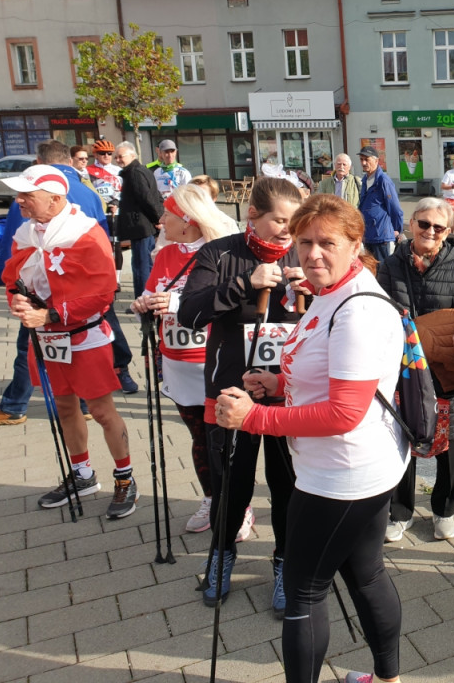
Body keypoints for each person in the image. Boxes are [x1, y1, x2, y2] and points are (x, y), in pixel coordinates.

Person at [214, 193, 408, 683]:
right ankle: (389, 678)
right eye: (304, 242)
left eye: (327, 243)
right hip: (357, 465)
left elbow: (344, 413)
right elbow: (334, 378)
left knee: (303, 590)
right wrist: (280, 385)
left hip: (340, 472)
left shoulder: (357, 309)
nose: (313, 254)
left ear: (355, 244)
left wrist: (254, 418)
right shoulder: (333, 292)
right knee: (366, 574)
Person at [177, 177, 303, 613]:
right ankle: (222, 552)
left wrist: (314, 292)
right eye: (279, 221)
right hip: (232, 389)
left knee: (288, 483)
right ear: (253, 214)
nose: (287, 231)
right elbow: (191, 313)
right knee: (233, 482)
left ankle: (287, 562)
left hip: (287, 391)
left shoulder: (303, 251)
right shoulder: (221, 251)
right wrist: (245, 283)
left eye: (294, 222)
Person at [2, 165, 141, 519]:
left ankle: (125, 476)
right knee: (64, 407)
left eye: (27, 196)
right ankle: (82, 474)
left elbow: (103, 294)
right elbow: (11, 277)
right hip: (46, 338)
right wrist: (17, 302)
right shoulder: (24, 232)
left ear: (55, 198)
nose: (19, 202)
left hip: (83, 336)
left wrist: (49, 315)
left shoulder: (85, 233)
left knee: (100, 410)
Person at [0, 141, 120, 426]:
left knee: (28, 349)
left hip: (55, 308)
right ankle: (81, 403)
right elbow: (105, 239)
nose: (19, 199)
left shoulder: (40, 194)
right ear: (69, 160)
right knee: (72, 371)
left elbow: (10, 251)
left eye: (23, 195)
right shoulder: (88, 191)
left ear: (40, 160)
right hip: (79, 301)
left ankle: (15, 405)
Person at [377, 198, 454, 542]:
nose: (430, 232)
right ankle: (400, 511)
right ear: (411, 224)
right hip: (403, 370)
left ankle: (444, 509)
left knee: (451, 444)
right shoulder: (390, 266)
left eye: (438, 227)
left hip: (446, 370)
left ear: (448, 232)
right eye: (424, 224)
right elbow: (382, 313)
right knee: (401, 439)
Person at [130, 184, 232, 533]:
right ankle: (210, 499)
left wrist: (176, 303)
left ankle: (237, 505)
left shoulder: (220, 253)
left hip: (213, 362)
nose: (159, 221)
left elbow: (227, 302)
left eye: (167, 215)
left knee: (222, 440)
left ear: (187, 222)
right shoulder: (165, 254)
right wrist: (143, 304)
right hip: (177, 361)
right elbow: (149, 292)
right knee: (198, 438)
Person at [116, 141, 164, 299]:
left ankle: (143, 300)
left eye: (121, 156)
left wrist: (158, 218)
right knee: (142, 264)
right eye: (116, 157)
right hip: (141, 225)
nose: (118, 160)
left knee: (141, 266)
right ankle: (145, 298)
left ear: (132, 155)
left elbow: (147, 198)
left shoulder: (135, 172)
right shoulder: (137, 170)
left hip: (141, 226)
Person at [358, 146, 404, 263]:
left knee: (382, 272)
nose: (363, 163)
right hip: (368, 235)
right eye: (362, 159)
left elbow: (395, 208)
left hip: (381, 236)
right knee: (371, 270)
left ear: (376, 161)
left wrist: (397, 229)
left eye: (367, 159)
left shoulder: (383, 181)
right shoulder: (365, 180)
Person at [87, 139, 123, 212]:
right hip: (96, 209)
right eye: (102, 153)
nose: (106, 156)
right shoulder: (87, 170)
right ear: (95, 155)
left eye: (109, 153)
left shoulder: (119, 170)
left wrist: (116, 203)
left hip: (115, 209)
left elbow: (124, 191)